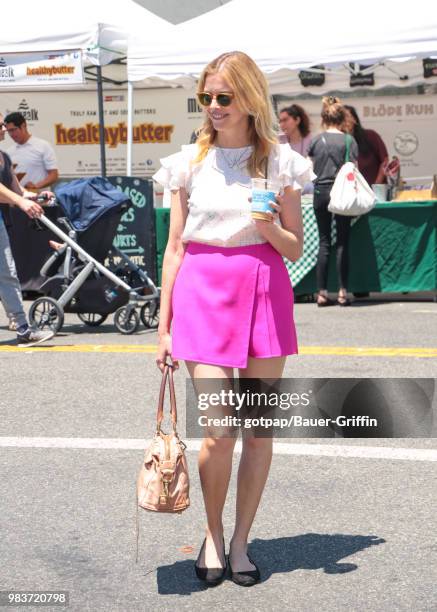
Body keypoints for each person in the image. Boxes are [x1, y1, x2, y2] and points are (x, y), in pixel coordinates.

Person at [153, 51, 313, 587]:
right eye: (207, 98)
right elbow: (174, 248)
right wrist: (163, 323)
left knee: (259, 432)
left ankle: (242, 540)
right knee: (219, 431)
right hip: (202, 293)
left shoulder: (282, 162)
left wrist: (266, 223)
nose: (215, 107)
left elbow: (294, 248)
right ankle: (212, 534)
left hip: (265, 291)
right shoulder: (187, 162)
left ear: (249, 99)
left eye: (225, 97)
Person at [0, 115, 54, 347]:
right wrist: (21, 203)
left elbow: (16, 190)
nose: (4, 128)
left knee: (7, 272)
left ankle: (23, 328)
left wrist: (35, 196)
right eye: (0, 124)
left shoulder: (4, 157)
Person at [307, 96, 359, 307]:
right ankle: (342, 292)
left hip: (321, 192)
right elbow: (354, 169)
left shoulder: (316, 141)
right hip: (343, 193)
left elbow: (309, 169)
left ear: (324, 117)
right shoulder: (349, 141)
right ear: (342, 117)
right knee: (343, 242)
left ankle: (321, 292)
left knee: (324, 241)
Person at [4, 112, 59, 191]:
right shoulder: (8, 152)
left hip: (41, 199)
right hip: (18, 200)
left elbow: (54, 175)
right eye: (8, 131)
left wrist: (36, 186)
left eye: (13, 130)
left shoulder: (43, 146)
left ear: (23, 125)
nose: (11, 134)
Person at [343, 105, 388, 186]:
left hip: (374, 190)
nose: (345, 121)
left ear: (354, 119)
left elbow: (384, 161)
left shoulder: (370, 135)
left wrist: (377, 185)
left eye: (347, 116)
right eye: (341, 118)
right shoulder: (338, 142)